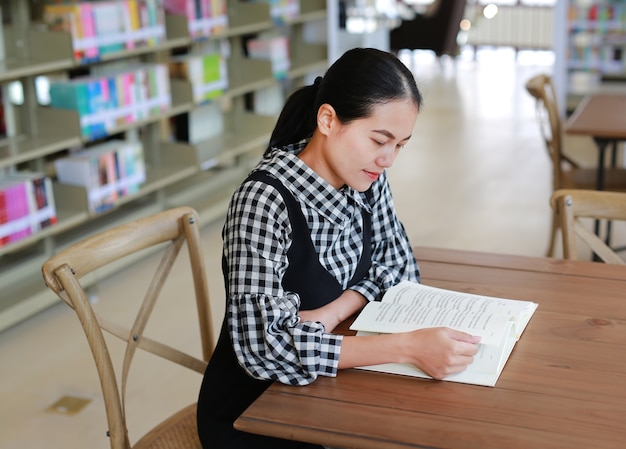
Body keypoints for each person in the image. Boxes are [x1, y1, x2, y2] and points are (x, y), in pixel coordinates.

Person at [196, 47, 481, 449]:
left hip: (328, 389)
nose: (388, 159)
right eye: (380, 140)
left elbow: (399, 266)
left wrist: (335, 310)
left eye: (400, 145)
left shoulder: (365, 176)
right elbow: (267, 348)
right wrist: (406, 346)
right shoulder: (264, 203)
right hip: (256, 414)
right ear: (328, 120)